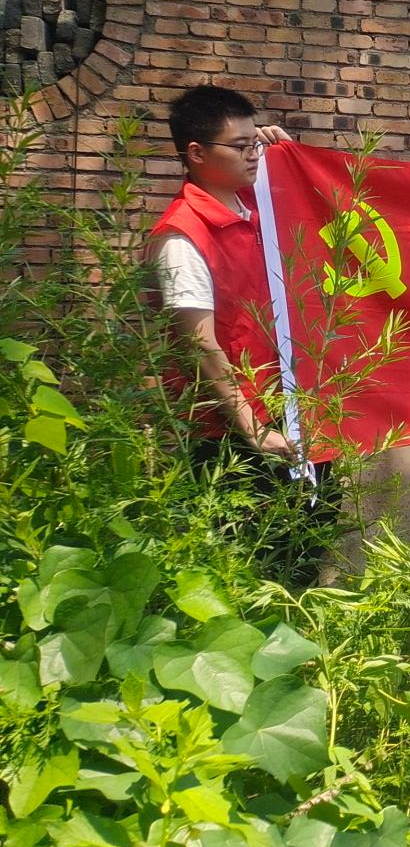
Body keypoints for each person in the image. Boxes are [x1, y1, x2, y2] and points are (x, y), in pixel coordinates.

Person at [150, 85, 328, 575]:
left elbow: (316, 209)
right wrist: (253, 429)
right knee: (255, 565)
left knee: (309, 553)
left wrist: (287, 156)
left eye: (255, 143)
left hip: (294, 414)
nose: (253, 154)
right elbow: (199, 344)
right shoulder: (182, 237)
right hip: (236, 436)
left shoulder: (256, 206)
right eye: (240, 145)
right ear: (196, 153)